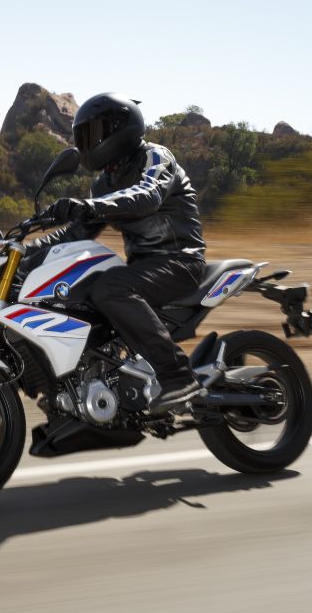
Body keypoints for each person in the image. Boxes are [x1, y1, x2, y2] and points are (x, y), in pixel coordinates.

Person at [33, 92, 208, 412]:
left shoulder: (156, 157)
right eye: (84, 135)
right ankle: (82, 383)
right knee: (72, 290)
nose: (89, 141)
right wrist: (21, 250)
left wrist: (87, 206)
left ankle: (178, 376)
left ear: (120, 128)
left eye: (95, 133)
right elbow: (76, 234)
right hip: (144, 267)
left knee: (110, 286)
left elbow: (147, 195)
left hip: (179, 260)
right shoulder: (103, 184)